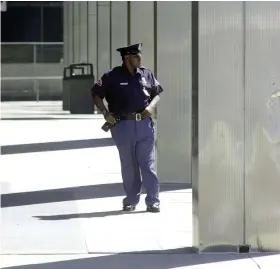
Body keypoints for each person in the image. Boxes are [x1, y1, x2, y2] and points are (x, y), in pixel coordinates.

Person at [91, 43, 163, 213]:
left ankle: (153, 201)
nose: (140, 59)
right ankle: (131, 200)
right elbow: (96, 94)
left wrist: (151, 107)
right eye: (136, 56)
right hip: (122, 126)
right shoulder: (112, 76)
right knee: (129, 164)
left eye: (139, 56)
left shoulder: (146, 73)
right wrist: (104, 112)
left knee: (147, 163)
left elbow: (157, 94)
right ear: (127, 58)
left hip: (144, 124)